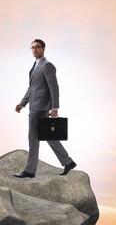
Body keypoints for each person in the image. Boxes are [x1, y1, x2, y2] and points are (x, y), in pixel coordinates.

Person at [14, 39, 77, 178]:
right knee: (48, 136)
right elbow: (32, 88)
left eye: (37, 47)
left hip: (39, 108)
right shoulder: (35, 65)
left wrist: (55, 107)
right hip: (35, 106)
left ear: (43, 49)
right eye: (32, 47)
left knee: (33, 138)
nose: (34, 49)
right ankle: (68, 162)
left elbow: (54, 88)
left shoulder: (47, 65)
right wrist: (22, 103)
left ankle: (30, 171)